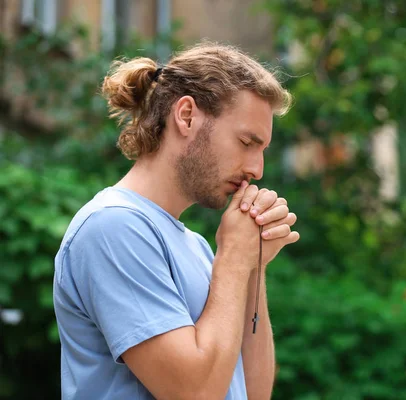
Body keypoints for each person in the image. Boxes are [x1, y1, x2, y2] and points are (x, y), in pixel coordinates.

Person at [52, 42, 300, 400]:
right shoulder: (113, 228)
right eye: (247, 142)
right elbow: (195, 392)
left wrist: (252, 266)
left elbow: (253, 392)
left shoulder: (197, 247)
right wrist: (232, 259)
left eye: (262, 151)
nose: (256, 170)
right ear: (186, 116)